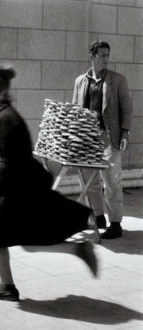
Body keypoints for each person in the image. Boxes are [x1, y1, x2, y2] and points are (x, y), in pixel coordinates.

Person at [0, 65, 98, 302]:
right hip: (24, 184)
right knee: (27, 241)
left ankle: (7, 287)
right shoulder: (5, 114)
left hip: (21, 187)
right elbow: (14, 159)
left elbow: (12, 160)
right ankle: (77, 249)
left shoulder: (4, 118)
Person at [72, 40, 133, 239]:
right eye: (102, 55)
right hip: (86, 137)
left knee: (112, 179)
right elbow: (75, 109)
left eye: (108, 55)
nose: (106, 59)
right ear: (92, 56)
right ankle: (98, 217)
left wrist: (125, 133)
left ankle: (115, 224)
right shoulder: (80, 81)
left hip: (109, 136)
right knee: (89, 180)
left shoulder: (118, 80)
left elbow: (127, 109)